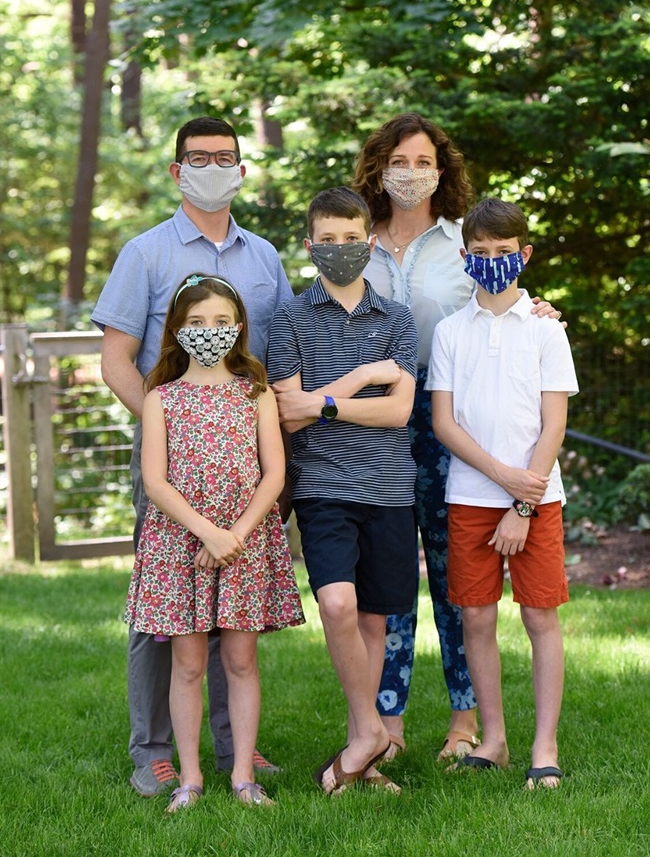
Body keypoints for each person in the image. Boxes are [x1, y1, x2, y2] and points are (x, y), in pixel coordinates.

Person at [91, 116, 292, 796]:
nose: (213, 166)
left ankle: (237, 746)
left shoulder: (265, 258)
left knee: (236, 613)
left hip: (247, 467)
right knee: (166, 615)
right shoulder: (144, 254)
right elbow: (116, 361)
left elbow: (279, 353)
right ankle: (154, 749)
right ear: (177, 170)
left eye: (225, 157)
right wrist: (168, 430)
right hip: (172, 467)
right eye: (198, 157)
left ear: (241, 169)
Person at [353, 112, 560, 763]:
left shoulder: (462, 244)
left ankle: (466, 719)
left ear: (441, 172)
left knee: (454, 577)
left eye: (422, 161)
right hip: (379, 419)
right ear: (378, 169)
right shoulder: (354, 243)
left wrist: (542, 308)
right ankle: (388, 721)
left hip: (451, 425)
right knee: (387, 573)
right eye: (398, 160)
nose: (410, 172)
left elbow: (500, 310)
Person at [125, 274, 304, 810]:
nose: (210, 332)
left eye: (221, 322)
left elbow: (274, 473)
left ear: (240, 327)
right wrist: (206, 532)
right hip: (179, 544)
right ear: (177, 331)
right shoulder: (161, 398)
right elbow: (155, 481)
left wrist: (234, 536)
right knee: (188, 664)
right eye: (197, 323)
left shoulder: (257, 392)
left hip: (245, 540)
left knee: (242, 661)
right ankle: (190, 777)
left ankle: (244, 775)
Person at [267, 187, 418, 795]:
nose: (339, 250)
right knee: (336, 605)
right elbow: (290, 414)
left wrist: (324, 399)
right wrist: (360, 381)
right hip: (324, 487)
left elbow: (400, 413)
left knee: (376, 621)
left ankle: (366, 755)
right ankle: (368, 733)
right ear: (309, 247)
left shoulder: (399, 320)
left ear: (369, 242)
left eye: (350, 239)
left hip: (389, 488)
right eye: (326, 241)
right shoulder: (288, 319)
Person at [427, 197, 578, 788]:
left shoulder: (546, 331)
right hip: (469, 495)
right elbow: (444, 423)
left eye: (505, 253)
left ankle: (545, 744)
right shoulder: (449, 332)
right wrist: (502, 479)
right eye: (481, 253)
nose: (493, 262)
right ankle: (494, 740)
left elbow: (554, 425)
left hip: (537, 499)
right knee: (477, 618)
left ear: (525, 255)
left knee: (541, 615)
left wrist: (522, 500)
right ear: (466, 257)